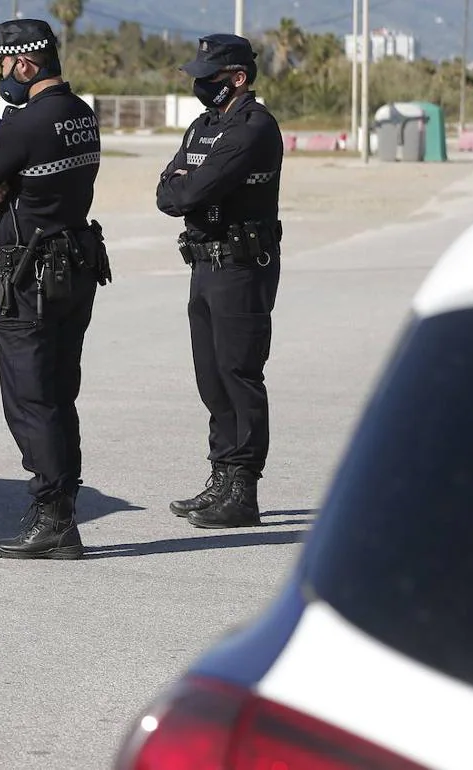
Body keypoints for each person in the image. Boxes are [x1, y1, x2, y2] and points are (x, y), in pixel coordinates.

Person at [0, 18, 111, 560]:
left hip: (32, 279)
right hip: (75, 268)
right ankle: (61, 508)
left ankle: (52, 517)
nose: (1, 74)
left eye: (2, 64)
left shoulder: (22, 124)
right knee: (58, 395)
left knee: (30, 399)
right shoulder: (82, 116)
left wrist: (7, 185)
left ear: (25, 64)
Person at [155, 33, 284, 529]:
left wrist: (186, 186)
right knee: (211, 378)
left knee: (239, 373)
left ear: (238, 78)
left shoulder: (254, 128)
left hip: (241, 265)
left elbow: (194, 189)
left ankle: (243, 489)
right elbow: (169, 190)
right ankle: (221, 477)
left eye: (208, 76)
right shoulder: (204, 125)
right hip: (204, 264)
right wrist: (183, 186)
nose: (199, 84)